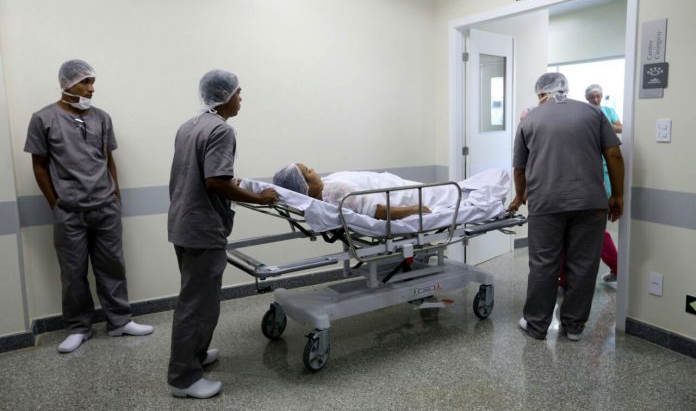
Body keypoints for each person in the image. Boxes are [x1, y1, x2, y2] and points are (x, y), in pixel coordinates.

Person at [24, 59, 153, 354]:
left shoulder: (101, 118)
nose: (91, 88)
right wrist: (55, 203)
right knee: (73, 273)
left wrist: (116, 195)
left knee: (113, 266)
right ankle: (78, 327)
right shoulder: (43, 119)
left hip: (105, 207)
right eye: (85, 82)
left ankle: (120, 321)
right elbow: (39, 165)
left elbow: (108, 159)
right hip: (69, 210)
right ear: (67, 83)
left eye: (93, 82)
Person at [167, 69, 278, 399]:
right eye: (238, 92)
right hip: (202, 228)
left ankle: (197, 356)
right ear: (224, 96)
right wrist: (259, 198)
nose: (241, 98)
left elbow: (201, 174)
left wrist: (233, 181)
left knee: (199, 299)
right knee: (197, 305)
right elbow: (214, 182)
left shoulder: (190, 126)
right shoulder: (221, 130)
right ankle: (183, 379)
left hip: (183, 222)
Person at [508, 72, 624, 341]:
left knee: (543, 264)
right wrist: (617, 195)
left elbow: (519, 168)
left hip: (546, 203)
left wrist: (519, 196)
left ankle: (536, 325)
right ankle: (574, 327)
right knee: (584, 264)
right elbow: (614, 154)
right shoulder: (593, 114)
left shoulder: (530, 120)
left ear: (541, 93)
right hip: (590, 202)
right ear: (566, 89)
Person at [272, 164, 508, 219]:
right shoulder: (336, 193)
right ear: (305, 187)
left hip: (396, 186)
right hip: (402, 195)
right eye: (308, 171)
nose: (313, 169)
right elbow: (379, 211)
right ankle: (481, 195)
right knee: (445, 195)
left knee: (446, 191)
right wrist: (416, 209)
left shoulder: (327, 186)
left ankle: (475, 191)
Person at [585, 84, 620, 282]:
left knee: (597, 231)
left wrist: (617, 196)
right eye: (593, 96)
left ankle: (617, 267)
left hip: (596, 178)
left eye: (599, 96)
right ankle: (563, 279)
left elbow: (614, 155)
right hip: (585, 180)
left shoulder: (607, 112)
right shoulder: (582, 115)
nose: (596, 99)